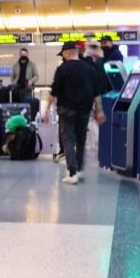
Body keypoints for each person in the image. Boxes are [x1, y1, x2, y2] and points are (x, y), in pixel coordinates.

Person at [43, 41, 106, 185]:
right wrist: (99, 111)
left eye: (63, 54)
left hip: (66, 110)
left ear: (66, 53)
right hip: (84, 110)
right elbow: (97, 94)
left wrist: (46, 110)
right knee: (81, 139)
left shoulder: (62, 69)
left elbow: (54, 92)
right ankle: (79, 170)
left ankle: (72, 173)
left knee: (68, 139)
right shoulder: (90, 69)